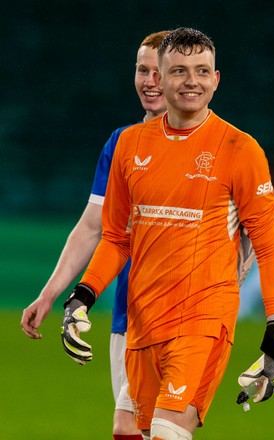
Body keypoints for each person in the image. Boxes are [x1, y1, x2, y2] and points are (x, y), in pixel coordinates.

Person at [61, 27, 274, 439]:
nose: (192, 81)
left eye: (203, 71)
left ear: (216, 79)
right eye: (180, 71)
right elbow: (117, 238)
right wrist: (83, 294)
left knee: (169, 430)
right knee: (137, 432)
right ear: (160, 78)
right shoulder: (130, 146)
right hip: (142, 320)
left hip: (204, 317)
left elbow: (269, 245)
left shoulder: (240, 149)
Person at [21, 30, 170, 440]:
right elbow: (94, 226)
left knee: (155, 428)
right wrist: (50, 293)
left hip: (185, 314)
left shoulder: (214, 145)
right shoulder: (121, 143)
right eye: (142, 70)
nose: (150, 81)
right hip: (129, 313)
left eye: (159, 71)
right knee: (133, 430)